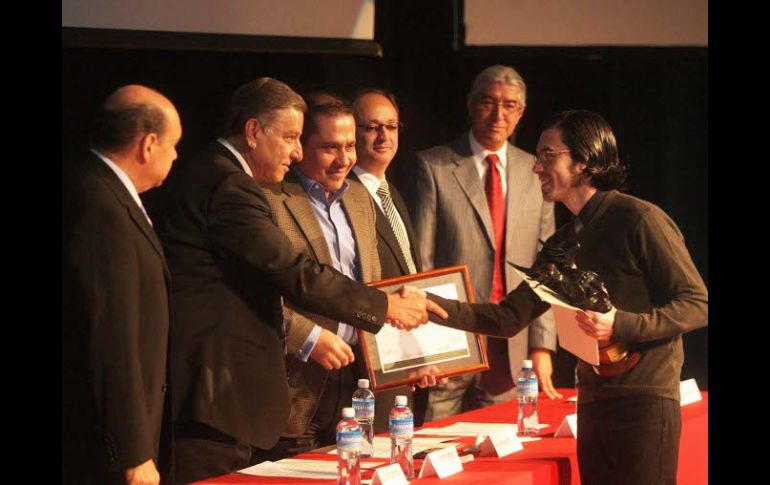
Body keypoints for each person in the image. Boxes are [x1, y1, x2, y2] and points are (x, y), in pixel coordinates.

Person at [146, 78, 444, 484]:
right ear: (253, 132)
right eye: (291, 137)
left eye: (349, 146)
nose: (297, 151)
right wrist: (385, 306)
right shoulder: (236, 188)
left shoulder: (356, 198)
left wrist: (412, 349)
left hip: (345, 382)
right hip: (231, 388)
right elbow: (292, 273)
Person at [532, 109, 708, 484]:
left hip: (645, 402)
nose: (537, 167)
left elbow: (697, 303)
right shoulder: (564, 241)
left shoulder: (639, 218)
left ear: (583, 163)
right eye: (537, 156)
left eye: (548, 155)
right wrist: (431, 305)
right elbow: (509, 314)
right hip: (594, 401)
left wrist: (620, 323)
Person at [411, 64, 559, 422]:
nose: (498, 114)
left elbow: (547, 264)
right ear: (470, 105)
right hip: (450, 332)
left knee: (501, 448)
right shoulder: (434, 165)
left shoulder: (535, 170)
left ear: (521, 112)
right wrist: (424, 345)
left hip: (513, 337)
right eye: (488, 102)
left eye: (509, 105)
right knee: (436, 440)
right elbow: (422, 261)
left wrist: (542, 344)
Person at [63, 85, 182, 485]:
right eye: (173, 144)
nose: (176, 155)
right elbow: (109, 336)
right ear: (149, 144)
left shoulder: (106, 192)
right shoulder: (101, 207)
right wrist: (132, 454)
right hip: (103, 450)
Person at [350, 88, 428, 431]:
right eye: (372, 127)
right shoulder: (344, 195)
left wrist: (419, 352)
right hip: (367, 366)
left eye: (392, 127)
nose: (384, 136)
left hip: (401, 361)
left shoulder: (391, 191)